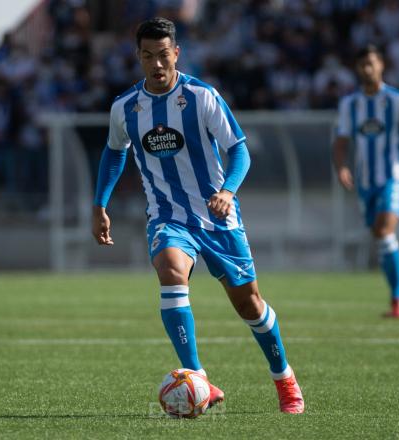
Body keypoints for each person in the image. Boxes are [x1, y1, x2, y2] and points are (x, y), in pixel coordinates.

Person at [91, 18, 304, 414]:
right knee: (171, 273)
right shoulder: (125, 108)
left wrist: (227, 191)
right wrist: (100, 204)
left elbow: (239, 150)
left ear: (176, 53)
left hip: (217, 218)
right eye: (148, 56)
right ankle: (197, 377)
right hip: (167, 216)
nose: (157, 64)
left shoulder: (202, 96)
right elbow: (114, 152)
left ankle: (284, 379)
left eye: (164, 55)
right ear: (138, 57)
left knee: (250, 305)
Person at [332, 45, 399, 319]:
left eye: (372, 63)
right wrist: (342, 168)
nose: (367, 69)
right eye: (363, 64)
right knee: (380, 237)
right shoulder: (350, 104)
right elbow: (340, 143)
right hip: (364, 182)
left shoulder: (397, 99)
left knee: (384, 232)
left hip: (392, 178)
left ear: (382, 65)